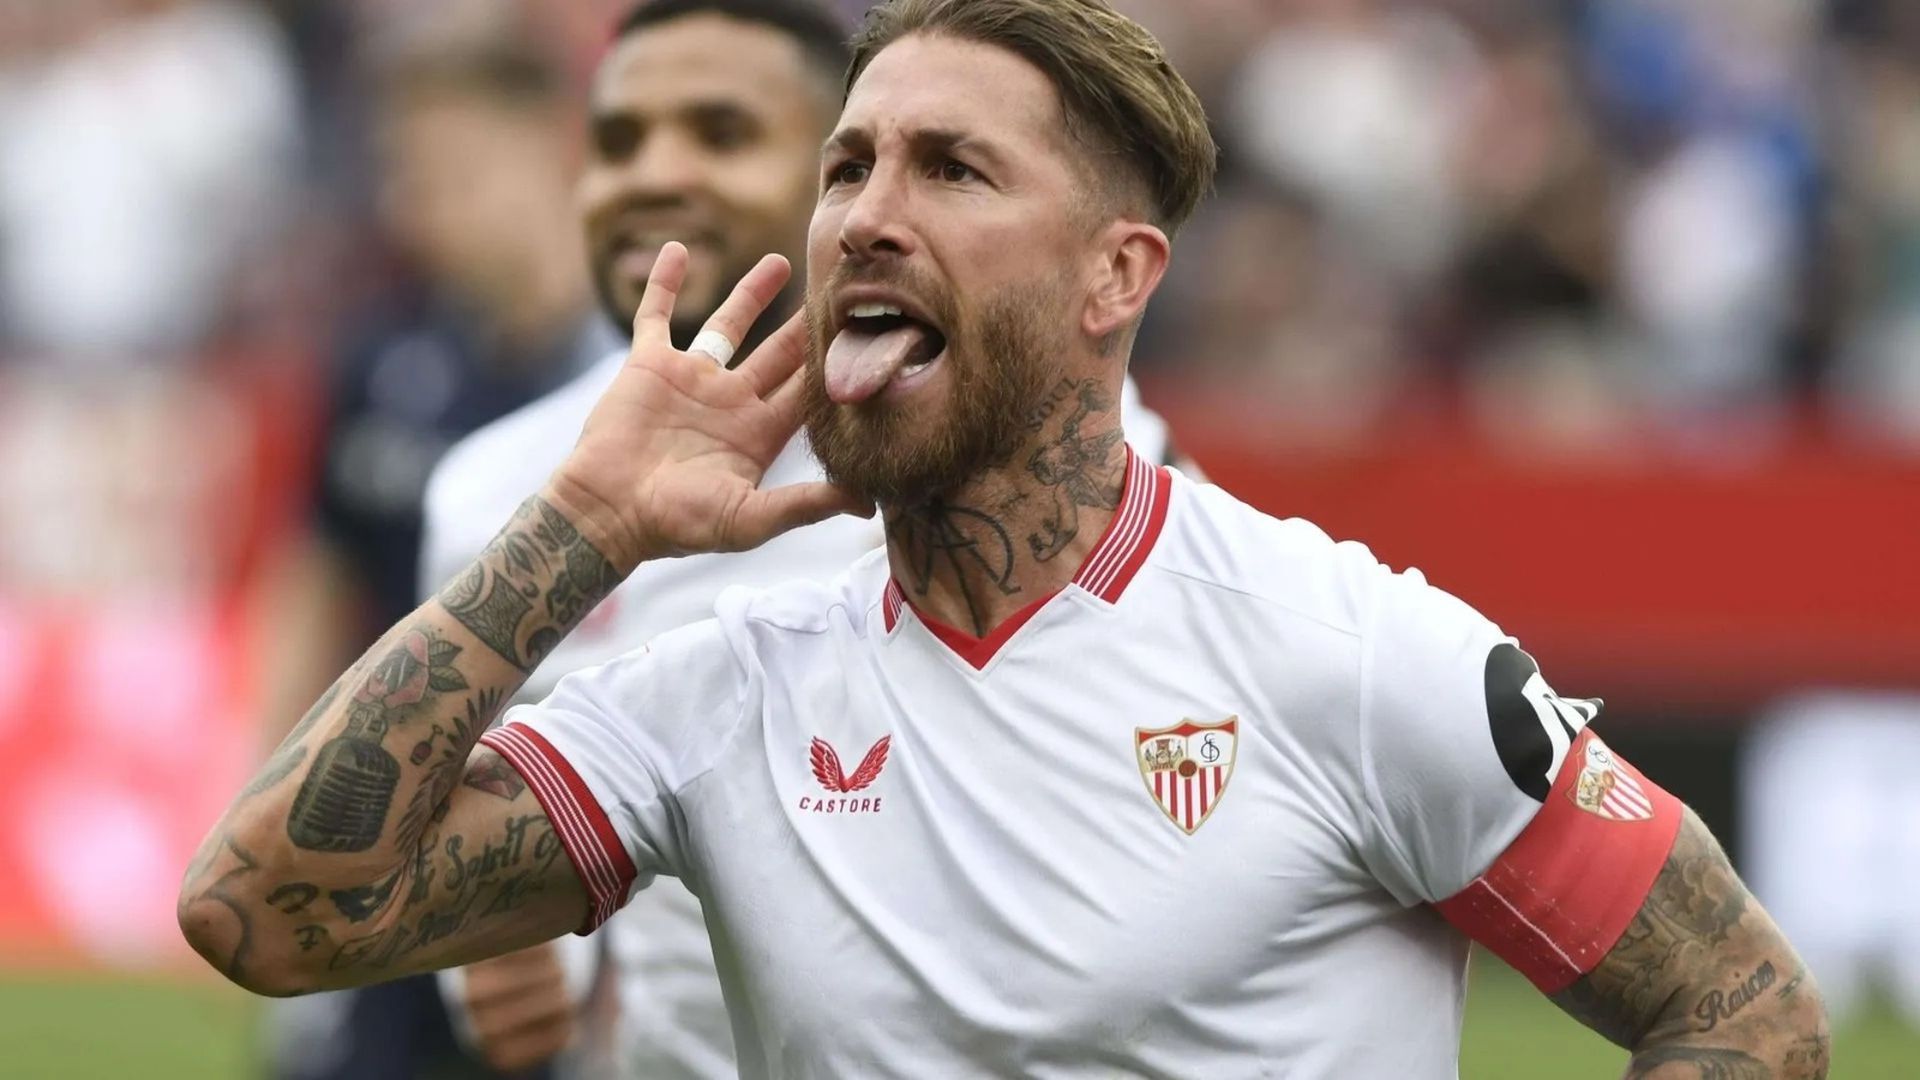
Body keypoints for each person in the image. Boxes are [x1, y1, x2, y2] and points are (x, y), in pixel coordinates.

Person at [181, 1, 1832, 1076]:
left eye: (952, 170)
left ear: (1117, 275)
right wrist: (587, 524)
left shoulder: (1348, 657)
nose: (867, 214)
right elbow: (265, 915)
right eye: (848, 167)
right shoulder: (720, 690)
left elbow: (1742, 1010)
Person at [417, 2, 1181, 1074]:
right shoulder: (497, 490)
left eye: (722, 133)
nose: (654, 174)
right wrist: (491, 943)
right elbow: (456, 807)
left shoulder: (1006, 454)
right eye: (618, 141)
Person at [261, 27, 609, 1080]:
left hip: (558, 831)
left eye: (453, 173)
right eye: (406, 177)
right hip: (379, 824)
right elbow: (320, 585)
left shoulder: (636, 385)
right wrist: (268, 788)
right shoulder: (379, 362)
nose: (417, 209)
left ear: (557, 154)